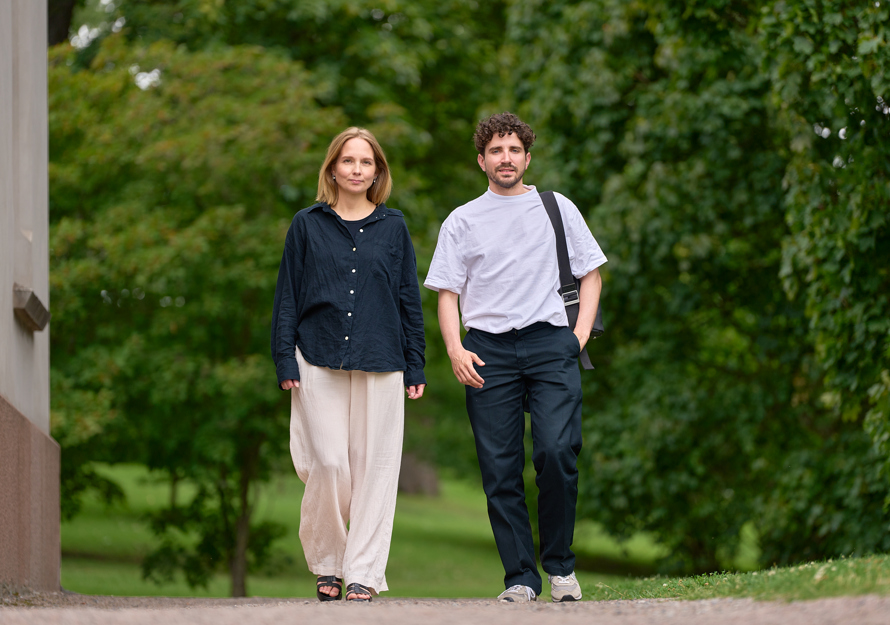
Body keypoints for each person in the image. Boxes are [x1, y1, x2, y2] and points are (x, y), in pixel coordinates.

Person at [424, 112, 606, 603]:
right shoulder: (462, 220)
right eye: (496, 151)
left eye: (514, 150)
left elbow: (591, 272)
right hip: (487, 351)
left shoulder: (556, 208)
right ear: (481, 160)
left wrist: (579, 336)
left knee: (555, 452)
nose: (506, 158)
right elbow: (446, 292)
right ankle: (521, 578)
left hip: (552, 344)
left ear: (527, 157)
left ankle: (561, 568)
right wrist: (454, 348)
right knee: (500, 469)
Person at [271, 127, 426, 602]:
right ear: (333, 168)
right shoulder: (307, 224)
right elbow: (288, 297)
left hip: (382, 358)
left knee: (376, 468)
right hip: (315, 355)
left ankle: (360, 572)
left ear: (377, 171)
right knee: (330, 462)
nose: (357, 170)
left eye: (366, 162)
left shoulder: (394, 227)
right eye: (348, 161)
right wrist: (283, 358)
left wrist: (416, 364)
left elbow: (408, 299)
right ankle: (328, 561)